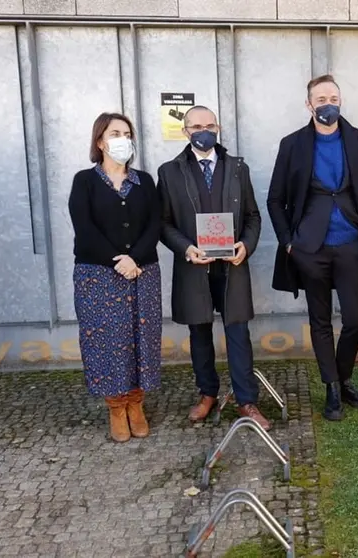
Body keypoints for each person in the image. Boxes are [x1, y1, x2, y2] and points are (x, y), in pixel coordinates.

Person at [267, 74, 358, 422]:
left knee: (356, 320)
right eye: (320, 98)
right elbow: (275, 199)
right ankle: (331, 388)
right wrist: (288, 243)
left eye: (333, 97)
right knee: (319, 321)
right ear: (309, 104)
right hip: (309, 247)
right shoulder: (292, 144)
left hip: (351, 245)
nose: (327, 104)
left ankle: (344, 379)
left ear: (340, 100)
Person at [157, 105, 270, 431]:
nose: (203, 131)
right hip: (194, 266)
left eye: (209, 125)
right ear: (185, 131)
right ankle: (207, 392)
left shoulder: (237, 168)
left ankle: (246, 399)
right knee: (199, 333)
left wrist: (245, 246)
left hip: (232, 266)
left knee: (238, 332)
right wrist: (186, 249)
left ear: (218, 127)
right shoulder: (170, 172)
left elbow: (253, 216)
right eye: (196, 126)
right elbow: (163, 223)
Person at [69, 112, 162, 443]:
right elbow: (84, 226)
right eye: (115, 133)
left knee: (141, 337)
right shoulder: (85, 181)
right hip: (98, 274)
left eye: (127, 132)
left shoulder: (145, 181)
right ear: (100, 141)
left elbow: (155, 223)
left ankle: (136, 404)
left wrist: (134, 257)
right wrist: (117, 260)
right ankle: (115, 406)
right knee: (107, 341)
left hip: (142, 272)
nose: (122, 138)